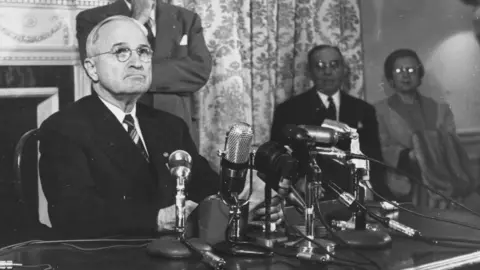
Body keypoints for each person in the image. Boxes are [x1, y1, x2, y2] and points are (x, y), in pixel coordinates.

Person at [39, 16, 280, 239]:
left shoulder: (169, 124)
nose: (136, 63)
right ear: (92, 68)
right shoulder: (64, 128)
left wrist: (248, 204)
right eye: (121, 51)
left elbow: (206, 185)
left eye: (143, 52)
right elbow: (72, 216)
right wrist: (156, 219)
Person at [76, 0, 212, 143]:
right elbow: (99, 69)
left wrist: (132, 75)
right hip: (117, 121)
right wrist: (137, 21)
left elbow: (200, 70)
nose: (138, 65)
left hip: (174, 119)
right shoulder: (92, 18)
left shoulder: (187, 18)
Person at [271, 44, 389, 201]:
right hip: (307, 199)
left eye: (334, 65)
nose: (327, 72)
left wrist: (373, 194)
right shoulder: (288, 110)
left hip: (354, 198)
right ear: (310, 72)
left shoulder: (364, 110)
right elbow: (278, 158)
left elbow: (375, 159)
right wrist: (297, 182)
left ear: (343, 69)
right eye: (320, 66)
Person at [375, 48, 480, 208]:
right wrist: (410, 155)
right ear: (391, 78)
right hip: (403, 186)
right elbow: (383, 147)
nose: (406, 75)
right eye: (399, 70)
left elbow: (451, 145)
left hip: (445, 184)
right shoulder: (379, 111)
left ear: (419, 75)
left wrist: (427, 152)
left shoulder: (441, 109)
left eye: (411, 69)